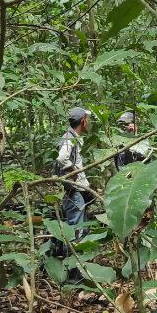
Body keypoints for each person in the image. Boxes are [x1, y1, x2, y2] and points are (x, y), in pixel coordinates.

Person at [51, 106, 93, 269]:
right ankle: (73, 269)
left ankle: (74, 267)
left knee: (76, 228)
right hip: (72, 192)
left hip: (75, 191)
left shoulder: (73, 137)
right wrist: (75, 171)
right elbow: (62, 159)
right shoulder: (69, 138)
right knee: (75, 231)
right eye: (87, 119)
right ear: (83, 121)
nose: (88, 122)